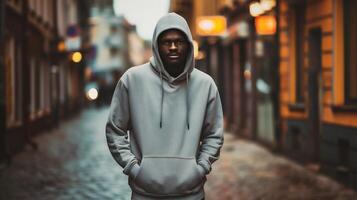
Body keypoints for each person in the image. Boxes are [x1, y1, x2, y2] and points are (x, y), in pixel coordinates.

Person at [106, 12, 224, 200]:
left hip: (191, 195)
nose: (173, 47)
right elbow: (115, 130)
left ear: (188, 44)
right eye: (166, 42)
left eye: (179, 41)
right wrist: (134, 169)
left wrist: (200, 168)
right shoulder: (132, 79)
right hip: (145, 194)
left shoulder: (205, 84)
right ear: (156, 45)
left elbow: (214, 135)